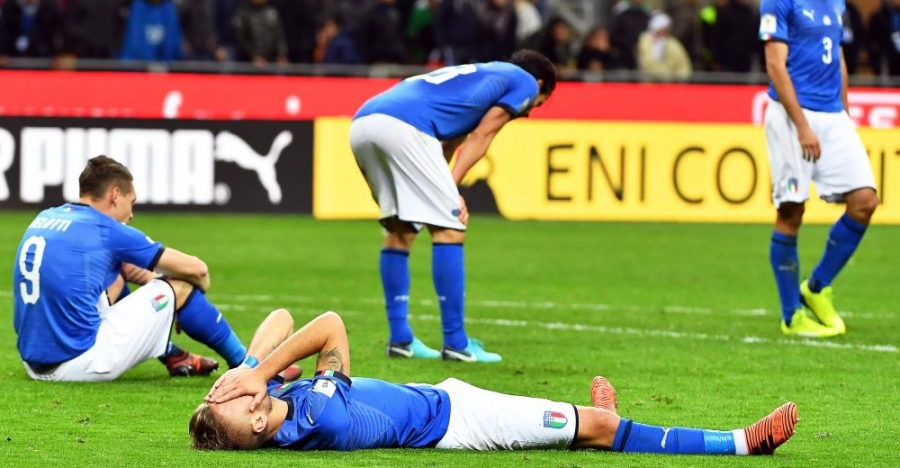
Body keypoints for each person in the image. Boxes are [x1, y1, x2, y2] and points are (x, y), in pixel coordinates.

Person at [193, 308, 797, 455]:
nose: (234, 386)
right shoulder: (315, 417)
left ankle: (583, 418)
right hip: (460, 425)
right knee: (602, 429)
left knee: (585, 423)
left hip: (446, 397)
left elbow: (279, 322)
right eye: (231, 398)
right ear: (251, 420)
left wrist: (247, 368)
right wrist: (256, 372)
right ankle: (742, 442)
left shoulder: (270, 402)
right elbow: (328, 326)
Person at [348, 50, 557, 363]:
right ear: (540, 83)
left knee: (400, 229)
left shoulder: (478, 77)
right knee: (450, 226)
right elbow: (481, 136)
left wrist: (443, 186)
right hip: (406, 128)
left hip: (364, 123)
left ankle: (400, 339)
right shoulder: (524, 81)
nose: (529, 111)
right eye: (540, 102)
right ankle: (456, 344)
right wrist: (451, 191)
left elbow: (449, 144)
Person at [12, 155, 250, 381]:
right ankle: (246, 365)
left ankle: (173, 354)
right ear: (115, 195)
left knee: (116, 276)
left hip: (33, 364)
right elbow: (197, 270)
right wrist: (186, 294)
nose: (132, 214)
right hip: (78, 362)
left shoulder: (46, 217)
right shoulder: (106, 229)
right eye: (131, 201)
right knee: (181, 287)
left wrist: (161, 303)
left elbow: (124, 267)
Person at [758, 0, 878, 338]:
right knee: (792, 210)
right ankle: (792, 314)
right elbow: (776, 65)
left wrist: (845, 106)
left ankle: (817, 287)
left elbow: (837, 53)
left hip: (832, 113)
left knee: (865, 201)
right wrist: (804, 126)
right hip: (792, 114)